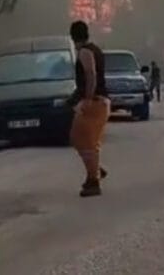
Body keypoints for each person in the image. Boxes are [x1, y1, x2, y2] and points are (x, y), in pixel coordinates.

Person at [68, 20, 111, 197]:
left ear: (73, 36)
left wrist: (87, 99)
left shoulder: (85, 52)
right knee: (88, 141)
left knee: (81, 139)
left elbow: (91, 74)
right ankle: (95, 169)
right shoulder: (96, 49)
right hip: (102, 102)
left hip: (94, 102)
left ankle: (94, 180)